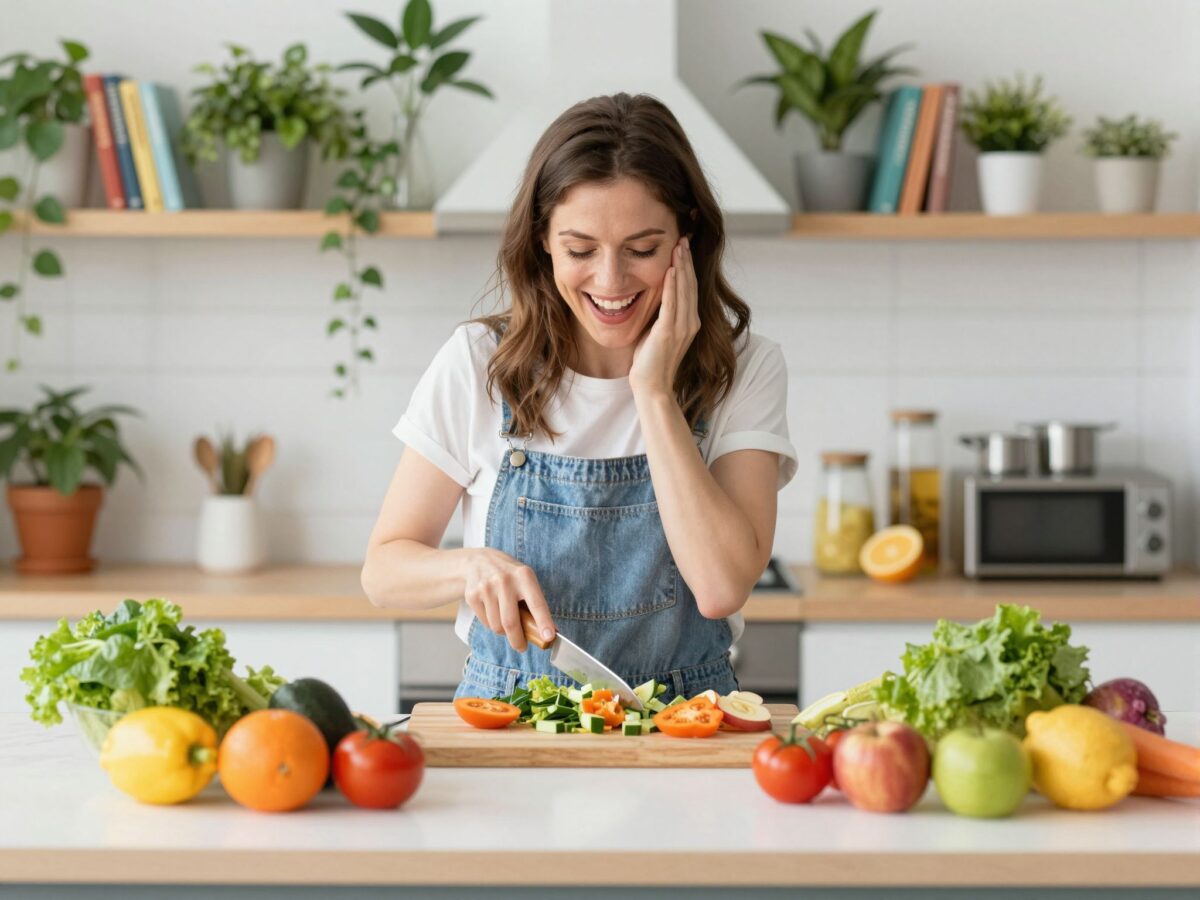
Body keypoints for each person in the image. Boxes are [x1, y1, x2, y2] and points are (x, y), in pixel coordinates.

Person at [362, 92, 797, 701]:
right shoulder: (479, 362)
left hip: (684, 723)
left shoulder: (745, 368)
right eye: (580, 250)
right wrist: (469, 565)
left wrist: (653, 393)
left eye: (642, 250)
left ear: (686, 236)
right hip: (510, 713)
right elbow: (383, 572)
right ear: (542, 239)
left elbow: (721, 588)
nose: (610, 281)